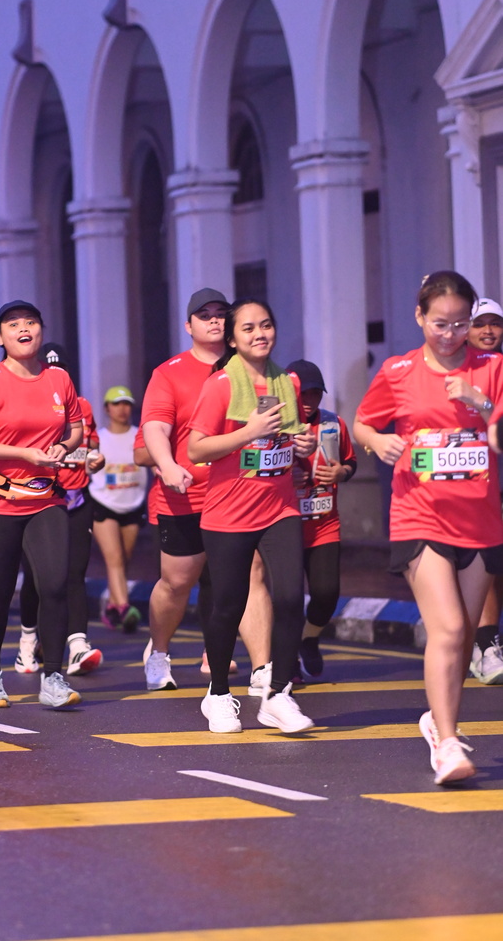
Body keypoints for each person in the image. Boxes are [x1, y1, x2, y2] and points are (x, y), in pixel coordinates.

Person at [355, 270, 503, 785]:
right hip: (419, 513)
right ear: (420, 317)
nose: (450, 334)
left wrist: (480, 403)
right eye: (440, 323)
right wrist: (378, 442)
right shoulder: (397, 371)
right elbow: (364, 422)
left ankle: (440, 723)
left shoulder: (492, 368)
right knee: (450, 628)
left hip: (479, 519)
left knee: (463, 640)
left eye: (461, 324)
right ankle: (447, 742)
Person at [188, 298, 317, 734]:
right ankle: (218, 694)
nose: (259, 334)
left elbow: (289, 437)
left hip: (280, 507)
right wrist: (249, 432)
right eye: (248, 328)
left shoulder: (288, 382)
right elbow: (196, 449)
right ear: (232, 339)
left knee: (290, 598)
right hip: (228, 513)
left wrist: (302, 445)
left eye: (266, 325)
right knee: (228, 605)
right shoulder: (221, 385)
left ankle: (277, 695)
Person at [141, 288, 272, 694]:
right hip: (186, 494)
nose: (214, 320)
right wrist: (168, 466)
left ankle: (262, 668)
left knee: (251, 575)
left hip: (240, 495)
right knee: (177, 583)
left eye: (220, 313)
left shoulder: (255, 368)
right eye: (204, 315)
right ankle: (159, 652)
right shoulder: (169, 373)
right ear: (189, 325)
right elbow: (155, 427)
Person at [0, 300, 84, 709]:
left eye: (31, 321)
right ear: (0, 337)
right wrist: (23, 453)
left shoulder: (58, 378)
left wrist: (64, 446)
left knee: (55, 585)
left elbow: (76, 428)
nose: (23, 329)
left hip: (46, 498)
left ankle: (53, 678)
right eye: (13, 325)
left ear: (41, 330)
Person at [16, 342, 105, 677]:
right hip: (37, 502)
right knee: (37, 578)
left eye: (61, 370)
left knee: (74, 574)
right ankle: (28, 641)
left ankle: (78, 645)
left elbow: (91, 449)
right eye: (50, 369)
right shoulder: (25, 406)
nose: (56, 375)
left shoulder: (83, 406)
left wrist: (96, 460)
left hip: (76, 500)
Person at [286, 359, 357, 679]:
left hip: (324, 523)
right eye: (303, 393)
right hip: (284, 526)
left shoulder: (334, 423)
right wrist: (285, 479)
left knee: (327, 593)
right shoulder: (273, 425)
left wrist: (342, 472)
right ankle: (286, 660)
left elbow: (351, 462)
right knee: (286, 599)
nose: (309, 400)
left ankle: (309, 638)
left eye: (315, 393)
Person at [89, 386, 147, 633]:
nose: (122, 409)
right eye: (116, 404)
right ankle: (125, 608)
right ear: (107, 409)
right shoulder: (99, 439)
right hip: (103, 504)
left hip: (133, 504)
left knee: (124, 559)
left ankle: (112, 605)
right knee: (114, 559)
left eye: (126, 404)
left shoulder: (140, 436)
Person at [467, 298, 503, 684]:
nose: (489, 331)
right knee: (487, 564)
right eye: (480, 324)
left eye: (495, 323)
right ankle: (485, 644)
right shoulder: (455, 372)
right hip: (473, 485)